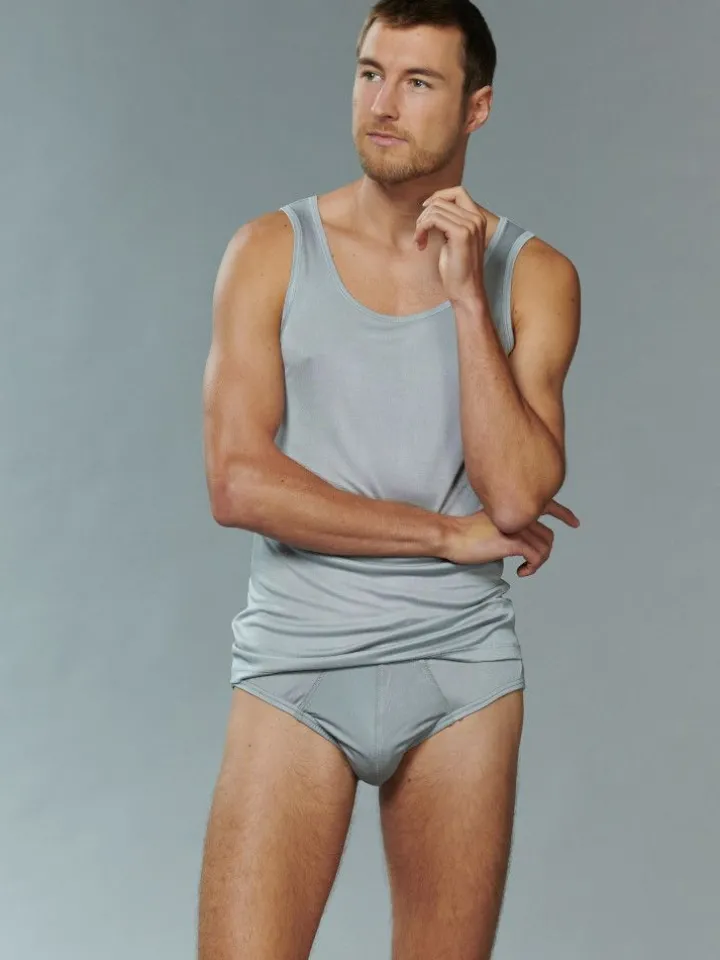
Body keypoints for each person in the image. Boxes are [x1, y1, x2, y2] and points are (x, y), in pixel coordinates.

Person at [198, 1, 581, 957]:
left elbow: (517, 498)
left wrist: (466, 300)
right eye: (371, 73)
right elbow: (237, 482)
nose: (383, 104)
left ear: (476, 107)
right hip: (298, 663)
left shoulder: (535, 275)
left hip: (461, 672)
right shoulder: (269, 250)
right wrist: (444, 535)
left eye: (418, 82)